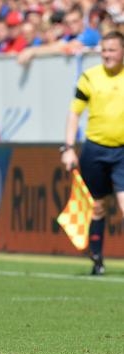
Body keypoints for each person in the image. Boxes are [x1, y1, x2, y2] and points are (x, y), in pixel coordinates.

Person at [60, 31, 124, 275]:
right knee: (98, 206)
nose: (107, 54)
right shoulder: (90, 77)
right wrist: (68, 147)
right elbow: (74, 112)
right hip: (95, 150)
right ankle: (97, 258)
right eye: (104, 50)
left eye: (112, 50)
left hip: (122, 151)